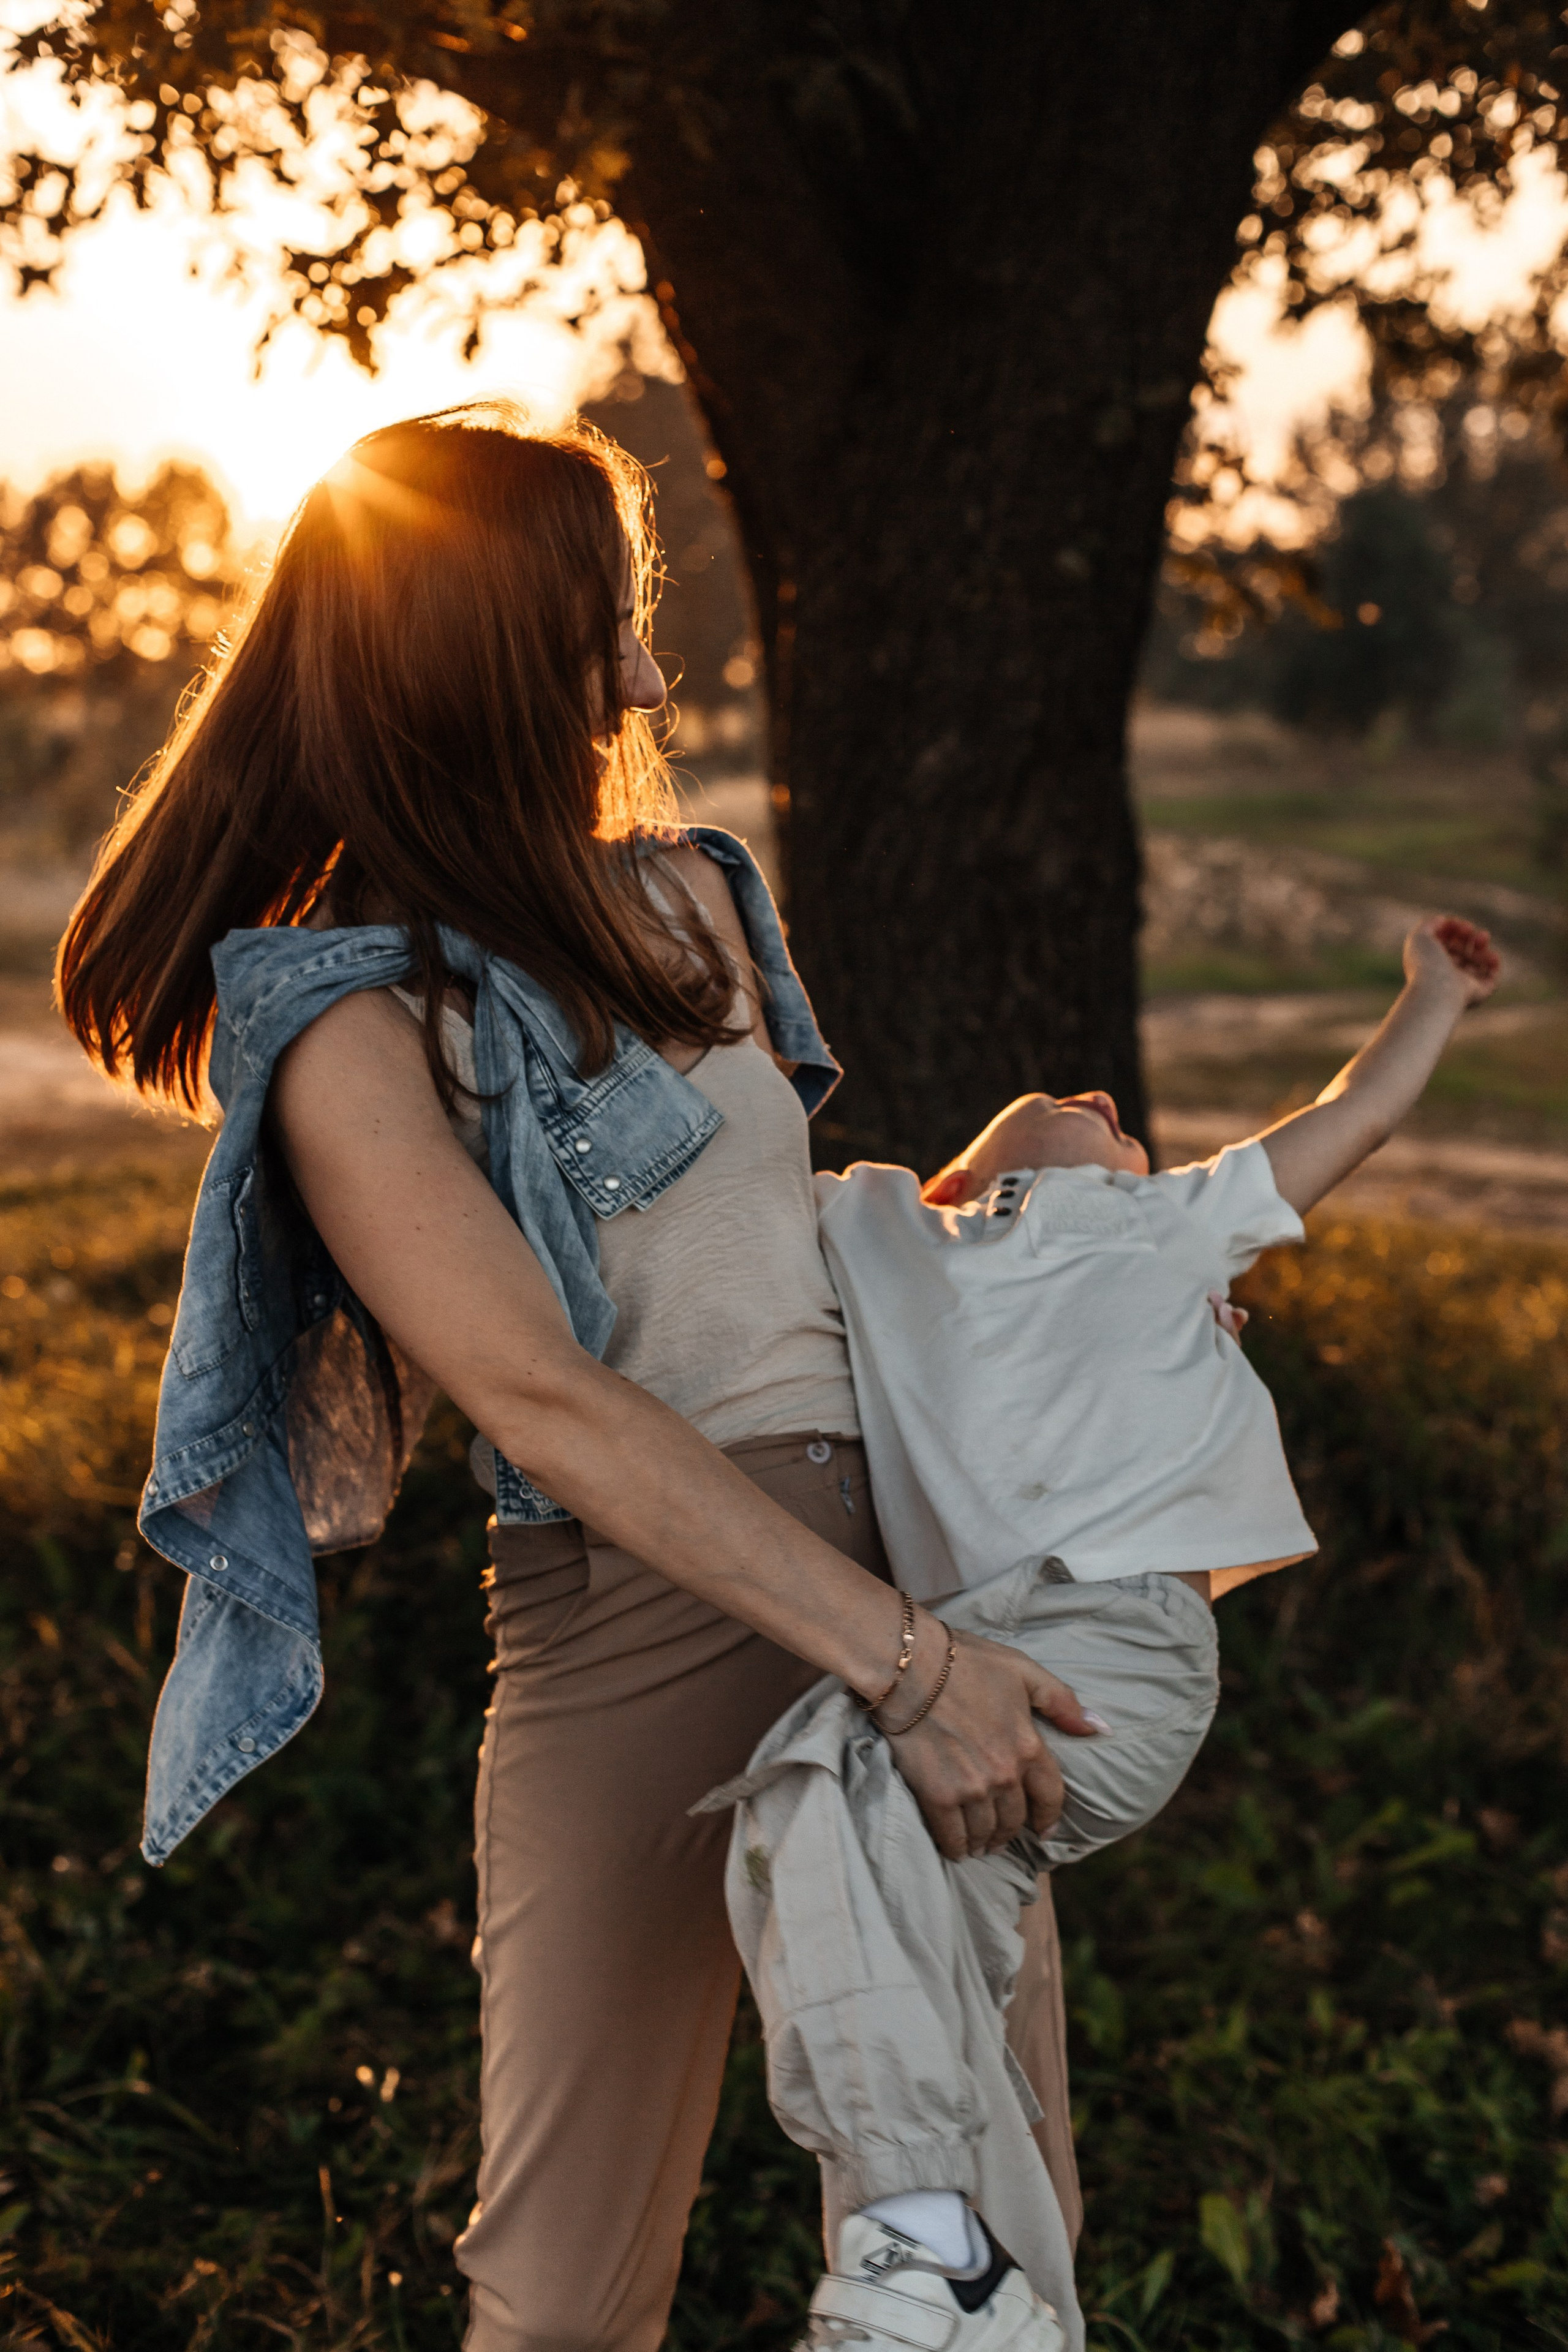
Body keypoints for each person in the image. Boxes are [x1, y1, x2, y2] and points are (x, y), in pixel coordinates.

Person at [55, 401, 1097, 2352]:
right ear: (471, 658)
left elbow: (781, 1273)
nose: (642, 671)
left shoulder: (697, 899)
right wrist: (910, 1670)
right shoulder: (352, 1027)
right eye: (599, 625)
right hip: (642, 1618)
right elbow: (540, 1393)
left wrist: (1057, 1255)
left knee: (999, 2224)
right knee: (563, 2289)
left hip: (907, 1559)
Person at [704, 915, 1500, 2352]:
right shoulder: (879, 1224)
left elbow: (1358, 1113)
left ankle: (924, 2252)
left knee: (829, 1781)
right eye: (1088, 1115)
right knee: (809, 1827)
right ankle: (954, 2272)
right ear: (957, 1172)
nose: (1110, 1109)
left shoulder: (1176, 1220)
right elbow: (706, 1176)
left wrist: (1430, 992)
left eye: (1122, 1129)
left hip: (1110, 1660)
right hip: (958, 1671)